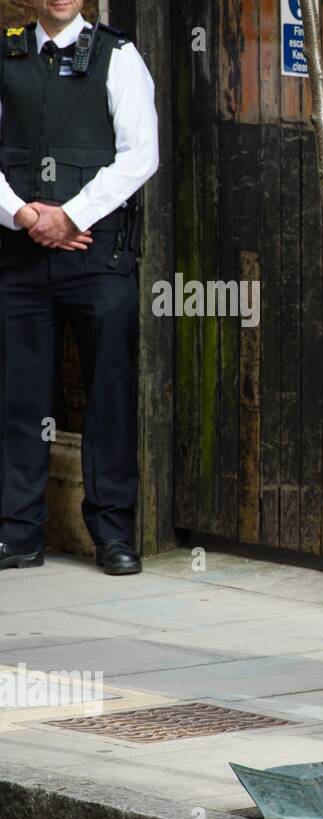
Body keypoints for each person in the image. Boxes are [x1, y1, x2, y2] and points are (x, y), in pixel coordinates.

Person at [0, 0, 159, 574]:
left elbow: (141, 155)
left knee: (110, 397)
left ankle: (113, 535)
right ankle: (18, 533)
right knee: (19, 397)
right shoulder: (7, 52)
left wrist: (69, 216)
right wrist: (24, 216)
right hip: (19, 258)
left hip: (98, 259)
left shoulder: (120, 56)